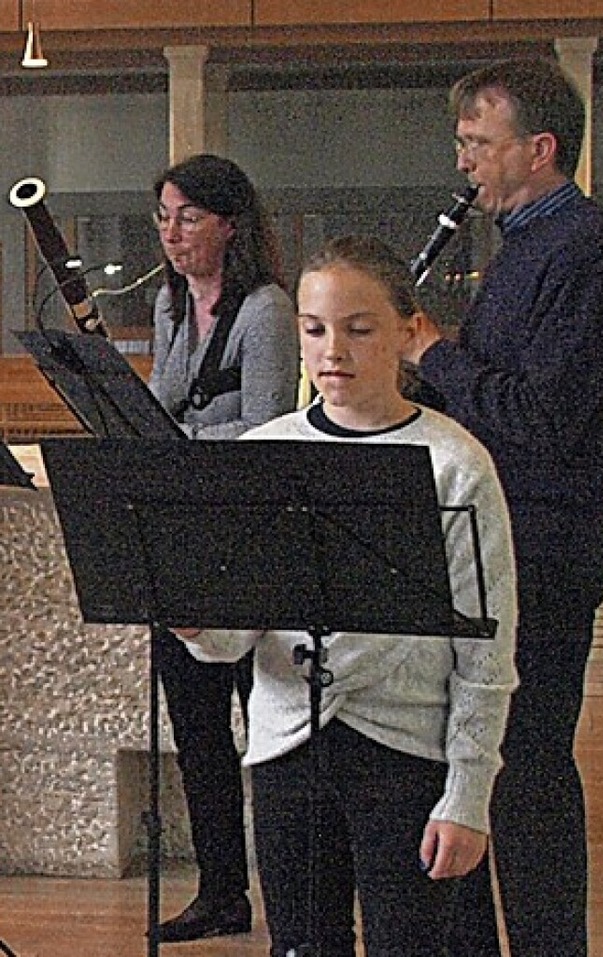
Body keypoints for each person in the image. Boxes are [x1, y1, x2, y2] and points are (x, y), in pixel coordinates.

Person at [171, 235, 518, 957]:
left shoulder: (455, 463)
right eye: (315, 328)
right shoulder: (265, 450)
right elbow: (239, 635)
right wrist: (200, 624)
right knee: (300, 943)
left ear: (404, 331)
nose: (334, 349)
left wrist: (468, 794)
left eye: (359, 329)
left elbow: (487, 651)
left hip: (407, 751)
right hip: (287, 749)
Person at [402, 59, 603, 957]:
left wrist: (434, 355)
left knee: (528, 769)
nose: (466, 164)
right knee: (486, 767)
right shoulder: (530, 245)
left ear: (540, 151)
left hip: (542, 541)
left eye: (479, 144)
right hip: (502, 533)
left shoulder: (583, 252)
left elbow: (540, 424)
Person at [147, 153, 300, 942]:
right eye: (164, 217)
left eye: (188, 218)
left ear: (230, 224)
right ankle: (221, 889)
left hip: (246, 536)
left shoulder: (266, 309)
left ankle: (292, 891)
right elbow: (165, 400)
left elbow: (271, 428)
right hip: (184, 536)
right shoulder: (173, 306)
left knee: (264, 717)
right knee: (197, 726)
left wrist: (181, 439)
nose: (172, 234)